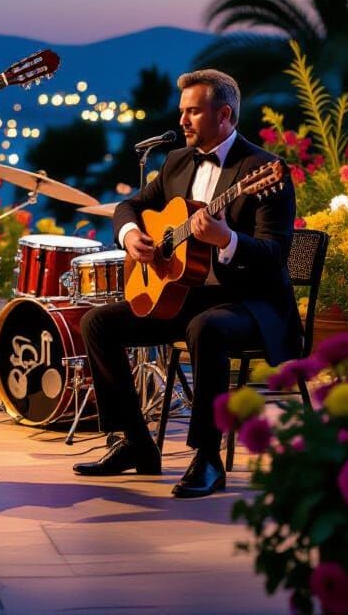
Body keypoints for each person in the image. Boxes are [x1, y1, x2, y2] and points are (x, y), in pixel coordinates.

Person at [73, 69, 297, 498]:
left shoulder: (263, 170)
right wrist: (131, 235)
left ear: (224, 114)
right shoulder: (177, 161)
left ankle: (208, 457)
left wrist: (227, 239)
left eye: (193, 112)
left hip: (251, 303)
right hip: (189, 297)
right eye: (182, 111)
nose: (182, 121)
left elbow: (275, 254)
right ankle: (135, 443)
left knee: (206, 328)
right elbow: (129, 206)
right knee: (97, 322)